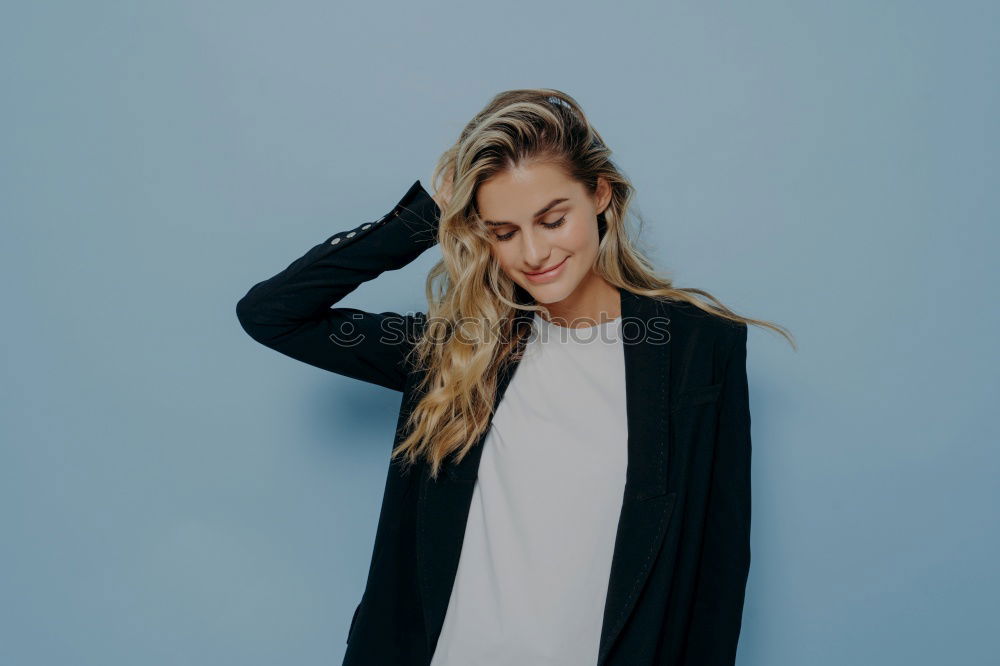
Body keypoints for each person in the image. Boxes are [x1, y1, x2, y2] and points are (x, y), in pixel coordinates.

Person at [236, 88, 795, 666]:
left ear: (600, 194)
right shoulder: (457, 349)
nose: (533, 252)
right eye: (503, 232)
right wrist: (424, 218)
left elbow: (718, 563)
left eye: (553, 220)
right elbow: (273, 314)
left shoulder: (697, 349)